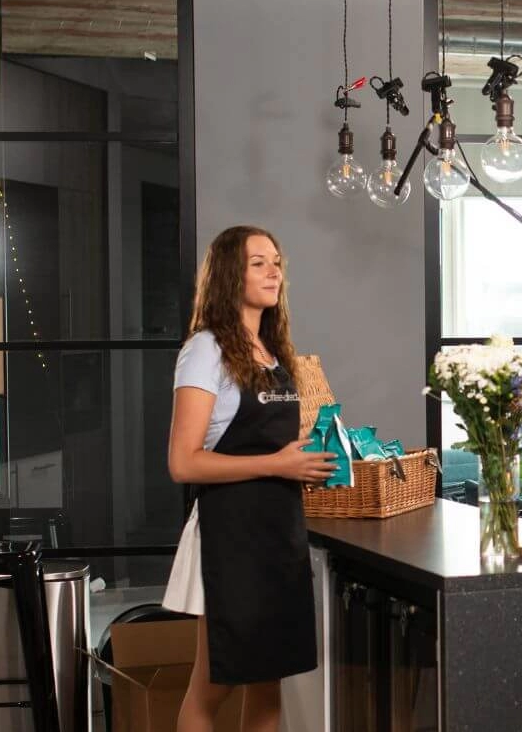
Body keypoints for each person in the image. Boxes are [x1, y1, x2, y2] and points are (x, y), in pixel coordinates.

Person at [162, 226, 335, 732]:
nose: (273, 271)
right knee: (212, 685)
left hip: (278, 535)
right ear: (228, 275)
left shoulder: (274, 354)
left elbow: (280, 450)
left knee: (268, 681)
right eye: (258, 262)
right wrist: (277, 465)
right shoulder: (205, 350)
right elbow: (183, 463)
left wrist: (310, 463)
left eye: (276, 261)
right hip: (229, 538)